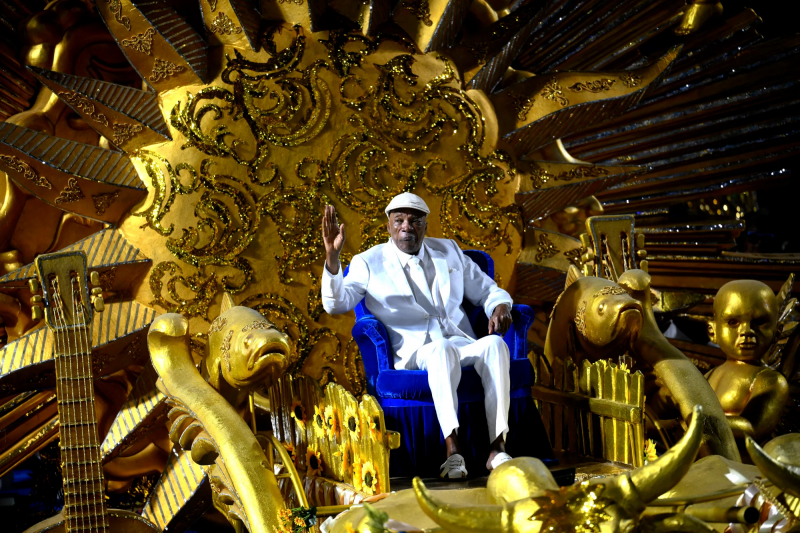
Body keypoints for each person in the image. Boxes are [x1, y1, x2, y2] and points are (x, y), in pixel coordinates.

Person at [321, 192, 514, 479]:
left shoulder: (448, 251)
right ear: (388, 225)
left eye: (414, 221)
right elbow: (336, 304)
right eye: (399, 220)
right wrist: (333, 259)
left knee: (495, 345)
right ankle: (454, 451)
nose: (406, 227)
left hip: (460, 340)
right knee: (440, 351)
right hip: (416, 350)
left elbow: (487, 290)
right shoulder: (368, 261)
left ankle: (497, 449)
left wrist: (500, 306)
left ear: (425, 224)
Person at [706, 280, 789, 442]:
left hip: (742, 464)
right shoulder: (709, 375)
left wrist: (699, 423)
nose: (746, 331)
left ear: (777, 332)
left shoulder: (770, 381)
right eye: (733, 322)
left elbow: (752, 427)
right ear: (713, 331)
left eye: (758, 323)